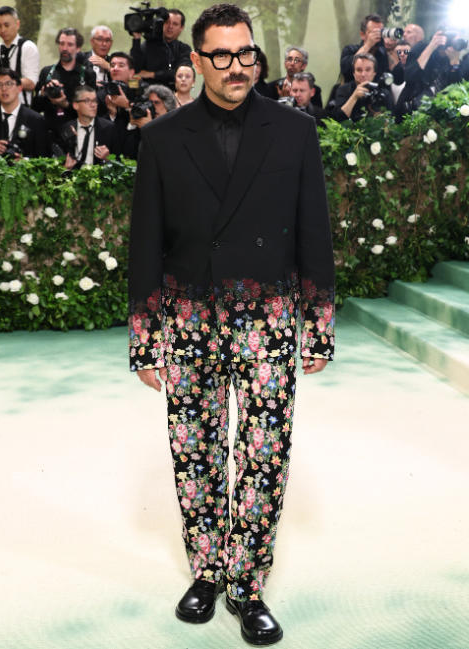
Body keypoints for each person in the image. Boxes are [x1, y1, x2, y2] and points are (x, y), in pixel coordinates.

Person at [128, 4, 334, 645]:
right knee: (195, 454)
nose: (237, 66)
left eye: (246, 54)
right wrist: (145, 340)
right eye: (221, 55)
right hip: (189, 321)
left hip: (268, 320)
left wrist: (317, 325)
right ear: (196, 60)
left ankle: (248, 585)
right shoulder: (164, 138)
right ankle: (207, 570)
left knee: (264, 454)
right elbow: (145, 245)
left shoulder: (295, 132)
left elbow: (313, 236)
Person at [34, 28, 96, 141]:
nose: (65, 48)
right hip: (49, 132)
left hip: (77, 133)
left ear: (78, 48)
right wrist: (42, 94)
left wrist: (66, 104)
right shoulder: (47, 72)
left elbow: (91, 109)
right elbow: (35, 108)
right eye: (62, 43)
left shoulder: (87, 75)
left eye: (70, 44)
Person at [0, 66, 49, 159]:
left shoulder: (36, 120)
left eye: (8, 84)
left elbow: (43, 157)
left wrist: (24, 162)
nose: (4, 89)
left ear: (19, 88)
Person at [130, 7, 191, 90]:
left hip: (173, 95)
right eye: (166, 22)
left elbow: (181, 74)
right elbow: (134, 70)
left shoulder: (184, 49)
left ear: (181, 28)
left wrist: (152, 74)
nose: (170, 27)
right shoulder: (147, 45)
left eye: (175, 24)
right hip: (148, 93)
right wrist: (136, 39)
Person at [0, 6, 39, 106]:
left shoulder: (28, 47)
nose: (2, 30)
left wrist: (2, 80)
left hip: (22, 108)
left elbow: (31, 83)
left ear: (17, 24)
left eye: (6, 25)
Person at [61, 85, 118, 169]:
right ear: (75, 105)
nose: (93, 105)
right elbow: (59, 159)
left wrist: (107, 158)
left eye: (95, 101)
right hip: (73, 178)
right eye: (87, 101)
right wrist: (66, 168)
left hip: (99, 178)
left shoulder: (109, 128)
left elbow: (119, 161)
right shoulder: (67, 128)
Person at [328, 52, 391, 121]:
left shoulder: (383, 92)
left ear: (374, 73)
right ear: (354, 73)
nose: (363, 74)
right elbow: (339, 118)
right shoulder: (343, 89)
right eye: (359, 70)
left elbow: (391, 119)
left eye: (368, 70)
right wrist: (354, 97)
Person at [339, 14, 389, 82]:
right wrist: (368, 45)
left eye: (380, 32)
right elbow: (346, 70)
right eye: (374, 32)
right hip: (353, 91)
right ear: (362, 35)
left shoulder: (382, 53)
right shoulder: (350, 50)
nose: (378, 35)